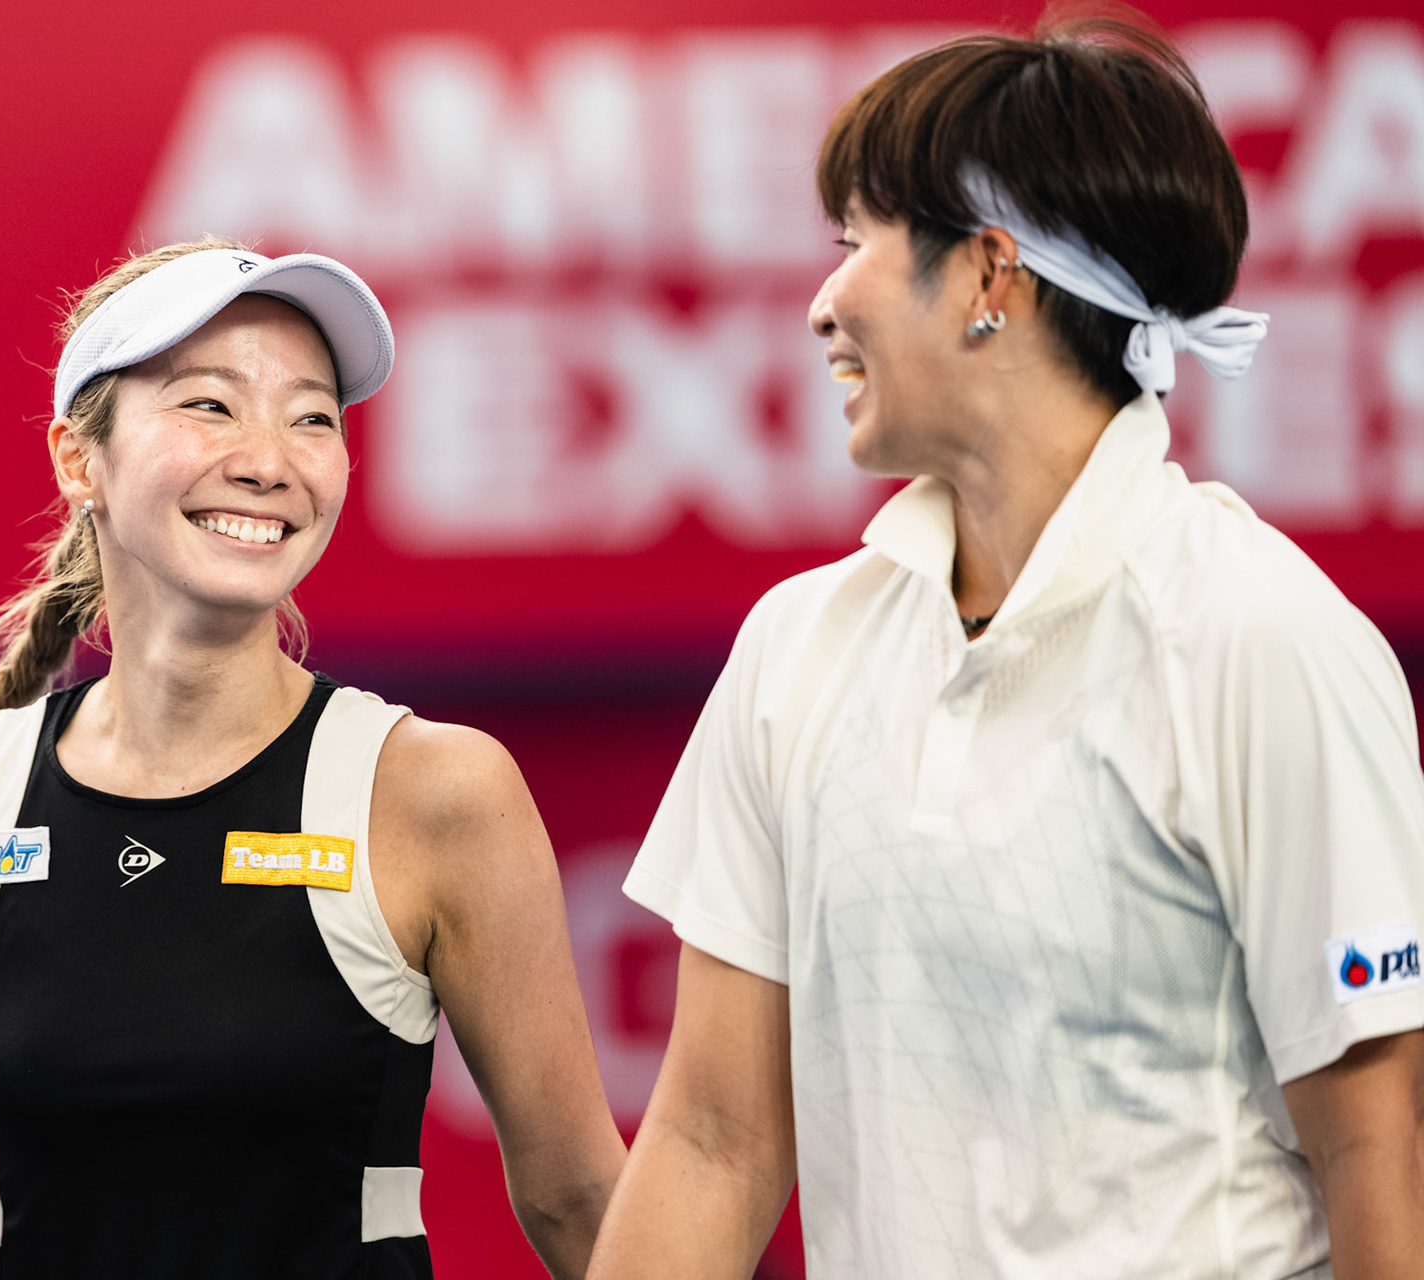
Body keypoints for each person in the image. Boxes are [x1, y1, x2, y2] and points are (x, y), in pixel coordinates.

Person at [588, 12, 1424, 1279]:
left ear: (989, 276)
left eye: (855, 242)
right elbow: (711, 1139)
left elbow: (1380, 1149)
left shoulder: (1265, 638)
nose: (822, 304)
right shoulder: (795, 648)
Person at [0, 238, 624, 1279]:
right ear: (81, 459)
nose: (270, 457)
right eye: (211, 404)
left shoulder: (437, 787)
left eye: (312, 416)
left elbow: (577, 1196)